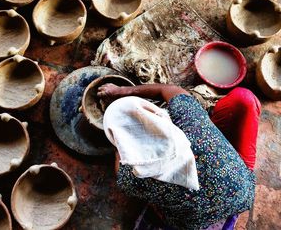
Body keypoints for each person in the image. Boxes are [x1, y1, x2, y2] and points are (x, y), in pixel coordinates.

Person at [97, 83, 260, 230]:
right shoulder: (188, 118)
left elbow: (121, 162)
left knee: (167, 213)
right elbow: (166, 89)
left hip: (196, 222)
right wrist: (123, 91)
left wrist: (118, 142)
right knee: (244, 99)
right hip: (242, 191)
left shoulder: (133, 178)